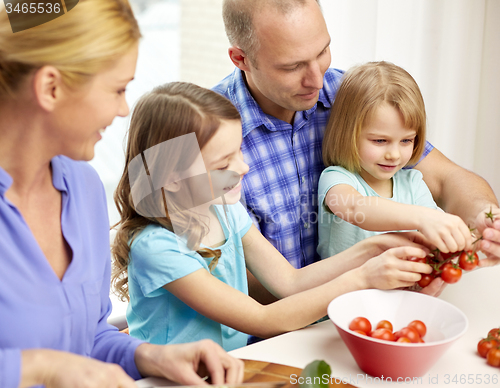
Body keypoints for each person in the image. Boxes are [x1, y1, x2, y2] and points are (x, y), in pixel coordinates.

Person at [0, 1, 243, 387]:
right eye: (117, 89)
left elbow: (89, 339)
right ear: (50, 87)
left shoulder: (83, 188)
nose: (123, 108)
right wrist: (40, 367)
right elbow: (57, 364)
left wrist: (153, 356)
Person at [112, 81, 435, 352]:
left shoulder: (226, 212)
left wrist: (373, 250)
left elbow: (290, 283)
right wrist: (363, 279)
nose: (243, 167)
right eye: (224, 164)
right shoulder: (156, 247)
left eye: (240, 151)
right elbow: (263, 321)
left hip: (230, 369)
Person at [213, 0, 500, 305]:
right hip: (269, 334)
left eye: (322, 51)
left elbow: (447, 179)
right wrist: (365, 279)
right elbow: (215, 276)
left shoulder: (354, 94)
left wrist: (484, 217)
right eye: (293, 66)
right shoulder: (194, 136)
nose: (317, 79)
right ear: (240, 58)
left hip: (368, 315)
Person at [318, 61, 473, 259]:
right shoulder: (336, 179)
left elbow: (435, 237)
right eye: (380, 140)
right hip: (345, 290)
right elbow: (355, 208)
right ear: (347, 134)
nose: (394, 154)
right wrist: (423, 218)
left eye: (406, 140)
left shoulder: (414, 184)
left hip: (402, 288)